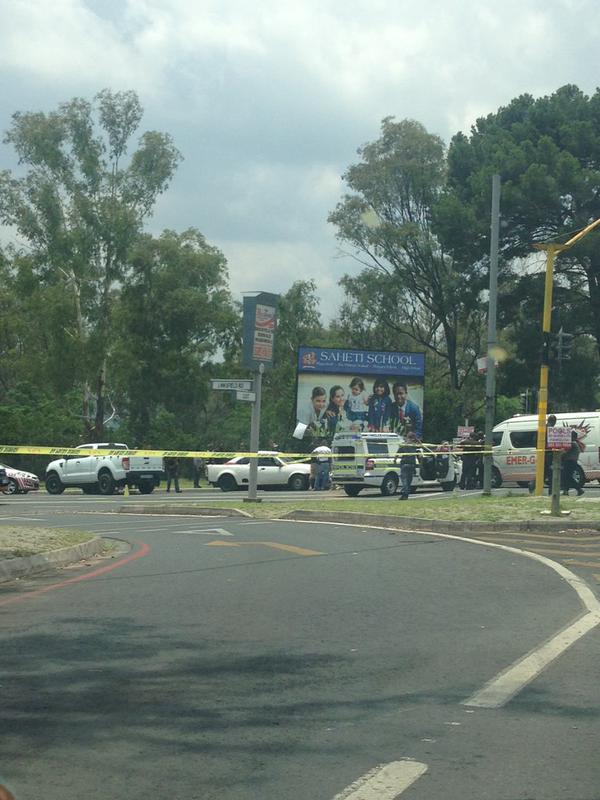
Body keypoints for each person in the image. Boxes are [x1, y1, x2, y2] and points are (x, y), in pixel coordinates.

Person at [395, 431, 420, 500]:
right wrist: (416, 439)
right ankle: (405, 494)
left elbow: (397, 453)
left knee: (404, 480)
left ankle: (405, 493)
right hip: (412, 465)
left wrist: (395, 459)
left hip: (404, 464)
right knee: (409, 481)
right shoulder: (414, 445)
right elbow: (421, 445)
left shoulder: (403, 445)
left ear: (407, 437)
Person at [562, 429, 584, 496]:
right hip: (572, 462)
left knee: (567, 476)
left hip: (569, 462)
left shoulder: (572, 443)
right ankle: (566, 491)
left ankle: (578, 489)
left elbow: (565, 452)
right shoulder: (576, 443)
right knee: (566, 476)